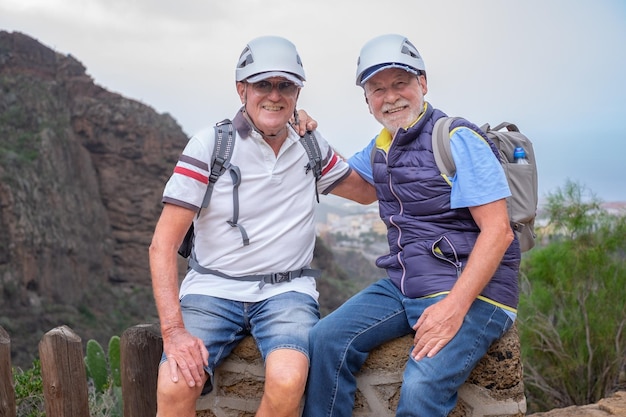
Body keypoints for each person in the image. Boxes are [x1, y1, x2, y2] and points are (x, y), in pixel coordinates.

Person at [149, 35, 375, 417]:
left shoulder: (311, 146)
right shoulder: (210, 146)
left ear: (298, 91)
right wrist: (173, 333)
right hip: (211, 289)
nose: (274, 94)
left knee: (288, 382)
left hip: (286, 291)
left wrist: (397, 130)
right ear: (242, 89)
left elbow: (366, 193)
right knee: (174, 386)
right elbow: (162, 245)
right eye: (262, 84)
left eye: (285, 85)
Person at [302, 34, 521, 417]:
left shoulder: (456, 139)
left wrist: (454, 307)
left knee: (420, 389)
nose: (390, 97)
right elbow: (357, 188)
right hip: (407, 283)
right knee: (325, 340)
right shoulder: (381, 147)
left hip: (475, 291)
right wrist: (304, 136)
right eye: (377, 89)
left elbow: (498, 231)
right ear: (367, 101)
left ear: (422, 83)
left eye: (400, 83)